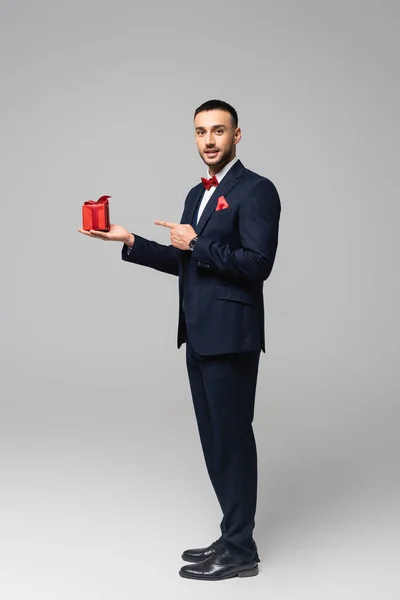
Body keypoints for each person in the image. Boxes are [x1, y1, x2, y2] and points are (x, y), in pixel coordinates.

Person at [78, 99, 281, 580]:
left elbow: (258, 264)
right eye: (200, 132)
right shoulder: (197, 193)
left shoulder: (257, 190)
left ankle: (241, 550)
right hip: (198, 333)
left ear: (237, 136)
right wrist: (130, 241)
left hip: (231, 336)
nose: (208, 140)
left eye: (218, 131)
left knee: (231, 440)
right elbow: (186, 260)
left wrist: (197, 243)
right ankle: (233, 533)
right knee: (214, 441)